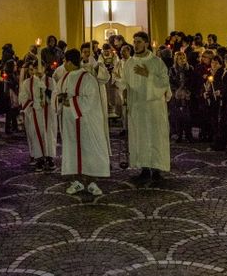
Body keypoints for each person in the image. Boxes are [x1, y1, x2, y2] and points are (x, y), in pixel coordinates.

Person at [56, 49, 110, 195]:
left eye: (64, 61)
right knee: (73, 149)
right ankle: (77, 181)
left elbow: (91, 100)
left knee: (89, 149)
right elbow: (57, 94)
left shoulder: (88, 78)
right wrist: (60, 100)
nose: (63, 64)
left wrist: (71, 101)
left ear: (69, 62)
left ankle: (92, 181)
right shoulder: (64, 77)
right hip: (69, 122)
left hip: (86, 122)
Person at [121, 31, 171, 185]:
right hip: (137, 107)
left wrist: (148, 75)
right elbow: (124, 82)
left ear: (146, 43)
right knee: (141, 136)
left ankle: (157, 169)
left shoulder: (156, 62)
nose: (136, 45)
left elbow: (164, 83)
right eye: (134, 41)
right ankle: (144, 168)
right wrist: (123, 92)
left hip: (154, 107)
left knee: (156, 136)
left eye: (139, 42)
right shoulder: (129, 63)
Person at [19, 60, 58, 172]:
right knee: (35, 134)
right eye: (35, 68)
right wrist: (32, 104)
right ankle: (39, 158)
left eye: (40, 68)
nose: (37, 71)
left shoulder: (51, 81)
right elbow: (23, 98)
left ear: (45, 68)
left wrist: (46, 92)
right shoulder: (27, 83)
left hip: (48, 113)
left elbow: (55, 96)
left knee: (49, 134)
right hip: (34, 113)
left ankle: (50, 157)